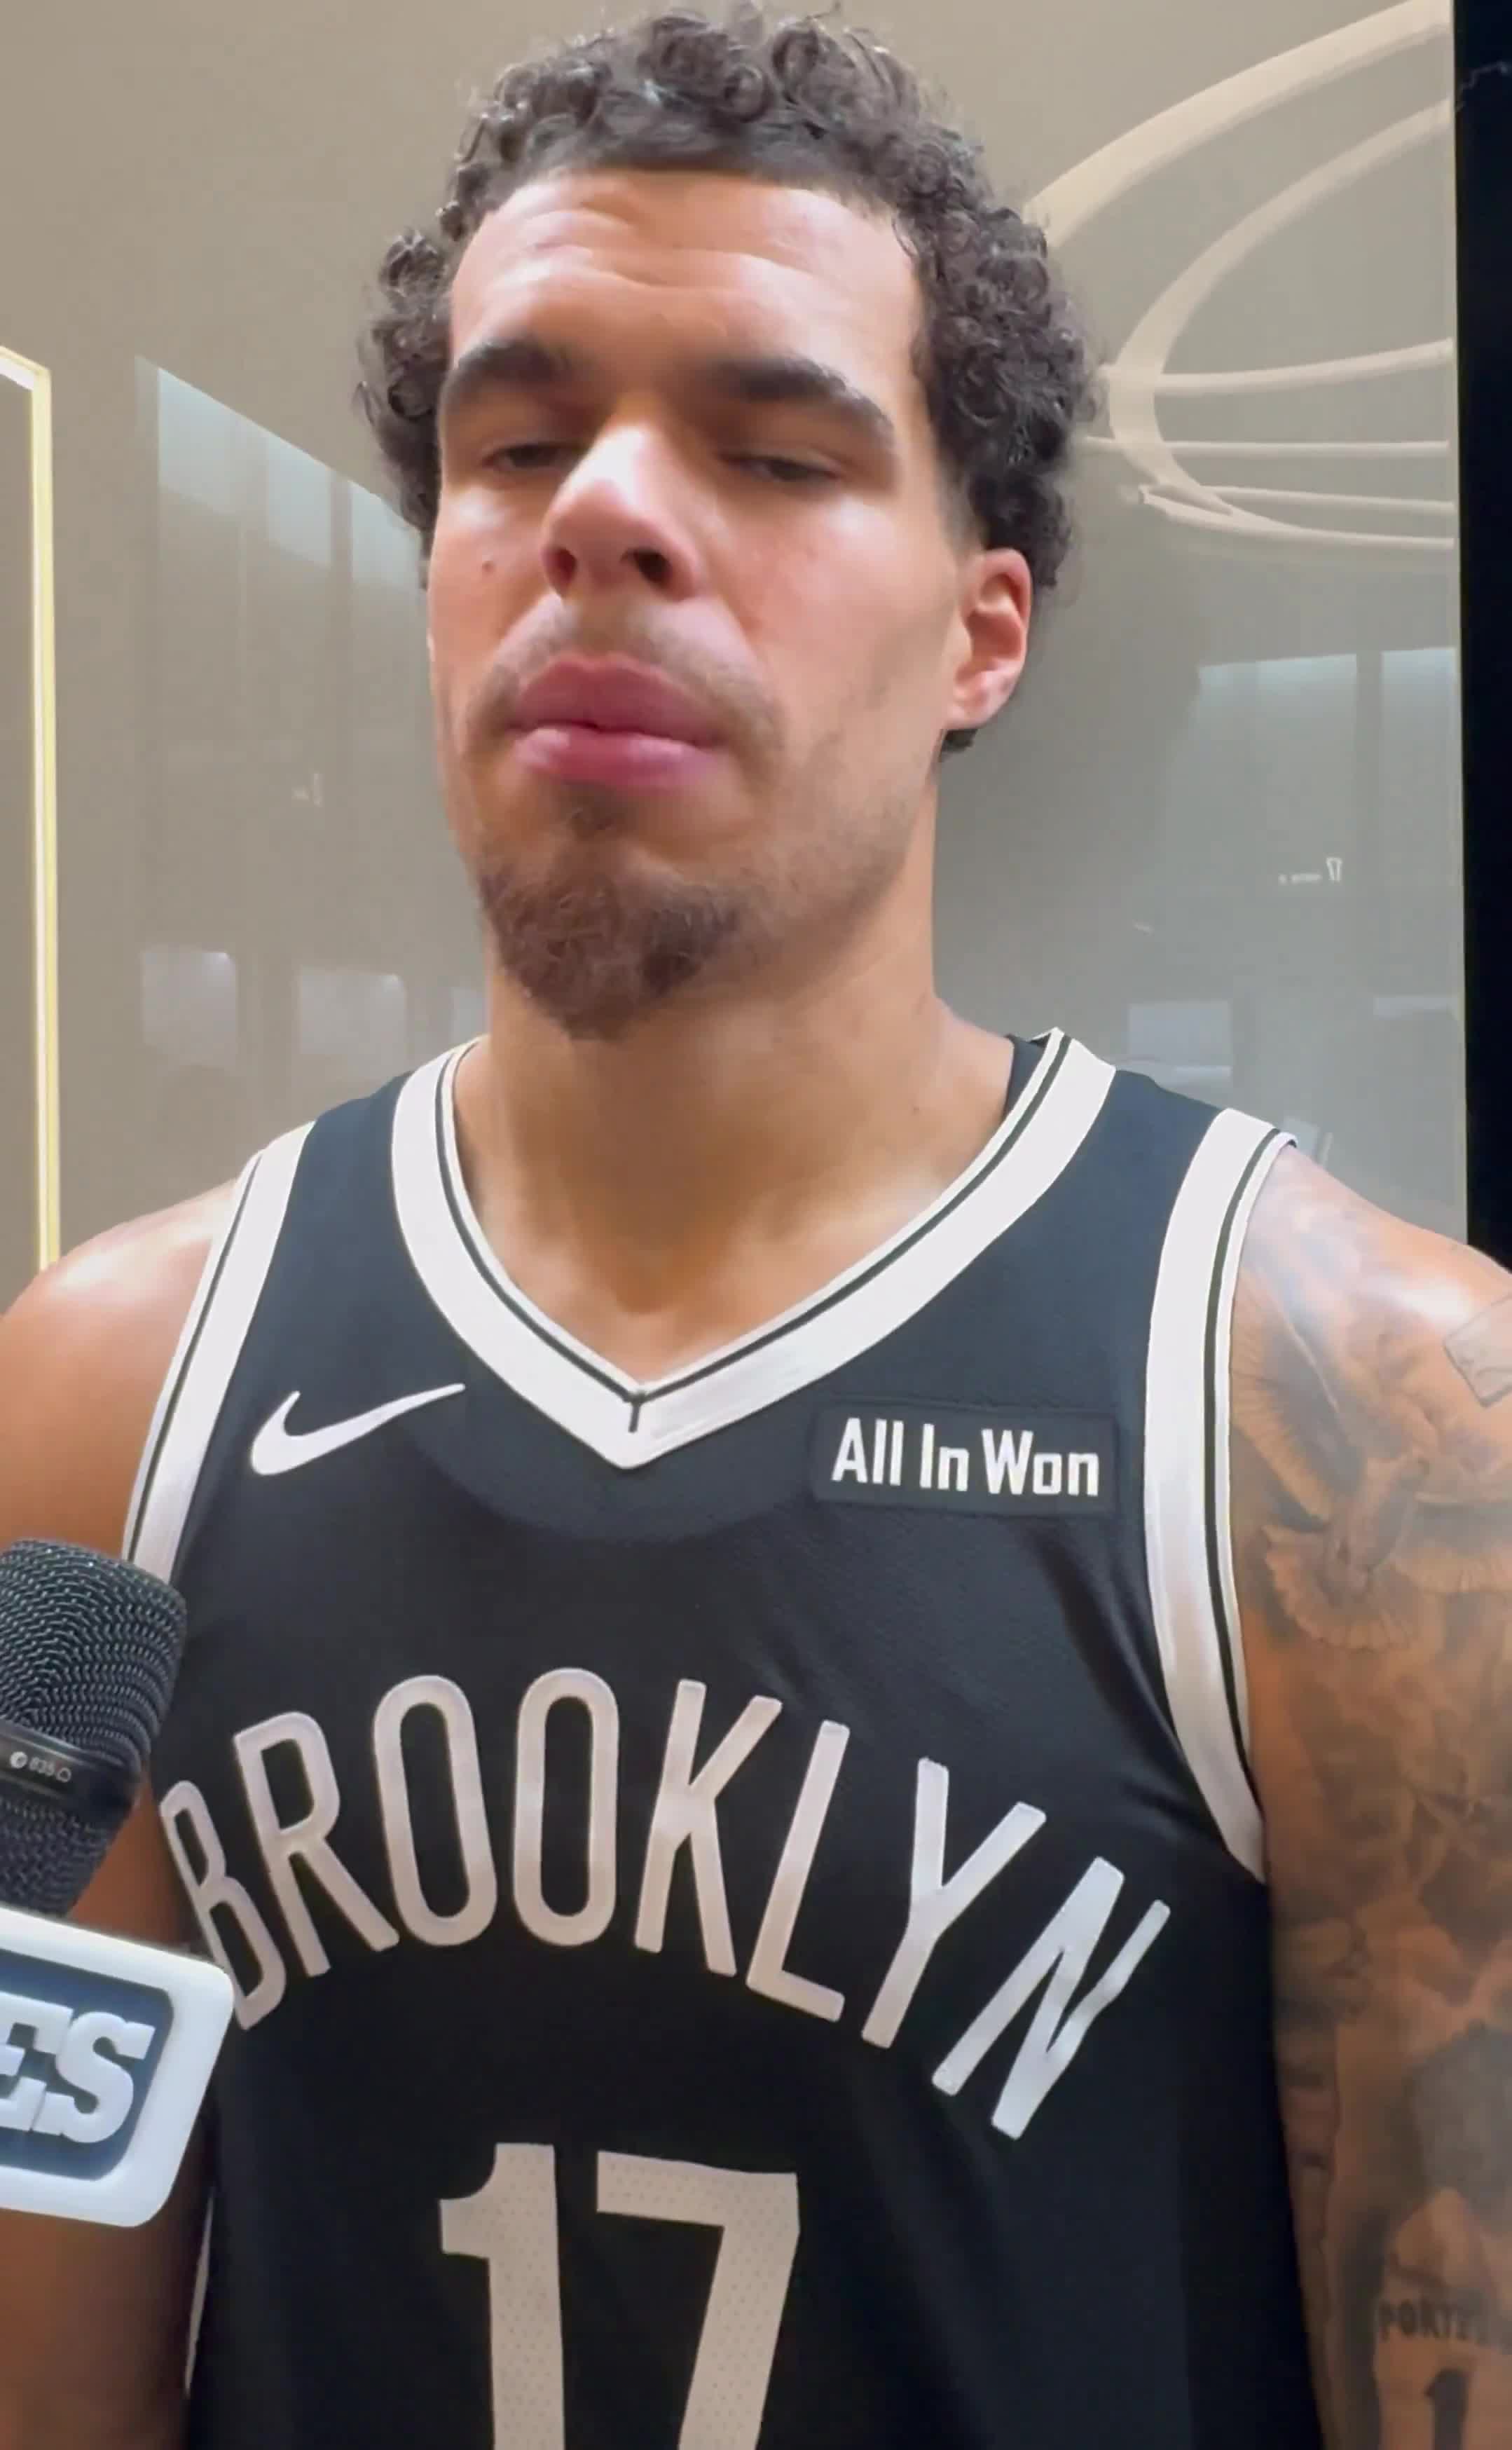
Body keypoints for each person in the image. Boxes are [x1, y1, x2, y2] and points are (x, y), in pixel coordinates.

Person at [0, 11, 1506, 2446]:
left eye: (776, 453)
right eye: (515, 444)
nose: (604, 511)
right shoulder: (101, 1403)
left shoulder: (1367, 1432)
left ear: (983, 633)